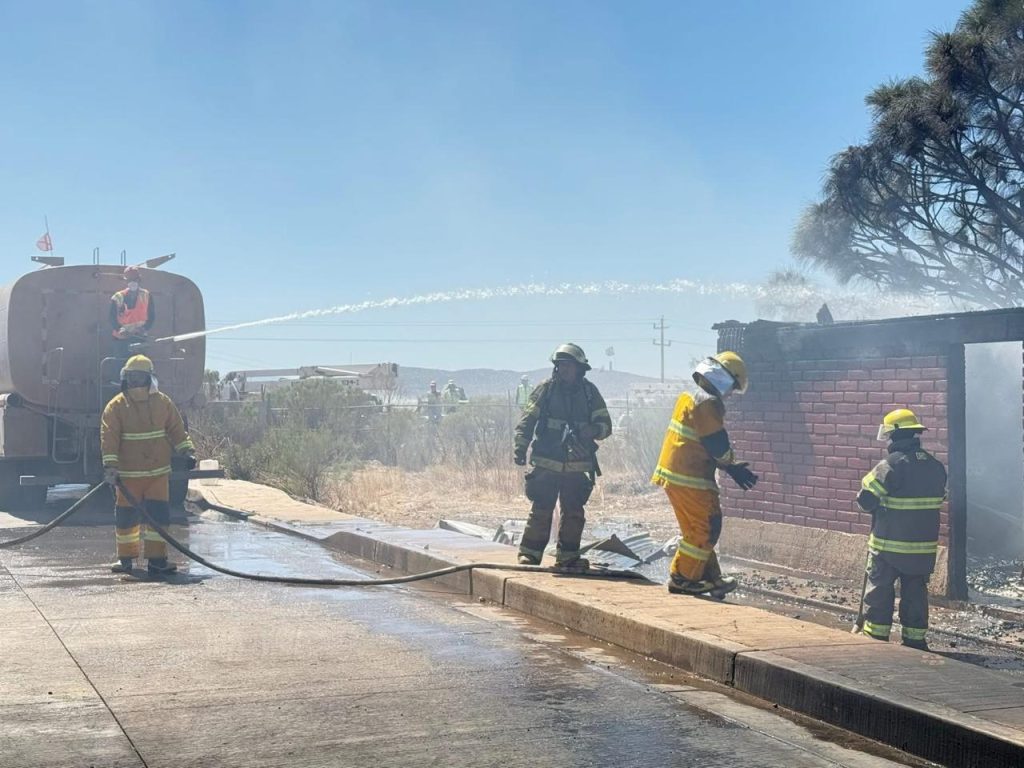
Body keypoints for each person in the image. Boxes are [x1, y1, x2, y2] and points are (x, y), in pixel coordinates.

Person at [652, 351, 757, 596]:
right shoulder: (708, 402)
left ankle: (710, 577)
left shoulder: (690, 396)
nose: (730, 394)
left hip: (675, 475)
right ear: (724, 378)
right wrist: (731, 465)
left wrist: (728, 466)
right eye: (732, 387)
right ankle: (683, 578)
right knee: (706, 528)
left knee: (696, 530)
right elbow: (716, 443)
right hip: (690, 477)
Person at [513, 343, 612, 570]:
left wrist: (592, 430)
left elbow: (606, 425)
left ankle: (568, 557)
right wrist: (520, 447)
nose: (563, 369)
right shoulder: (545, 390)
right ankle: (529, 554)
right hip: (547, 460)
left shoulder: (590, 393)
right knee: (541, 508)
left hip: (578, 462)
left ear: (579, 368)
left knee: (574, 511)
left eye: (568, 365)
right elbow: (527, 420)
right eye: (560, 365)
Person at [856, 408, 947, 650]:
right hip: (922, 550)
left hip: (888, 547)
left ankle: (876, 638)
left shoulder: (890, 465)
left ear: (894, 436)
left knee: (880, 591)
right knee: (916, 593)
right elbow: (938, 498)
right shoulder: (936, 466)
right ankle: (915, 640)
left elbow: (866, 500)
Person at [101, 354, 195, 576]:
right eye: (132, 377)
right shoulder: (129, 405)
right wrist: (111, 466)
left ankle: (136, 560)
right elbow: (110, 438)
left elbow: (176, 429)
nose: (135, 381)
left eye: (138, 377)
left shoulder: (121, 405)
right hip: (140, 476)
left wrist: (187, 450)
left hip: (142, 476)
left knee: (139, 519)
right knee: (146, 518)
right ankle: (149, 561)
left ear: (147, 378)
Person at [109, 266, 155, 358]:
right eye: (130, 280)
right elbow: (112, 318)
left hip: (140, 338)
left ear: (139, 280)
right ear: (125, 281)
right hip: (121, 340)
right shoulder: (117, 297)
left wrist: (144, 328)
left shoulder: (146, 295)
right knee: (121, 363)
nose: (132, 282)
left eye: (135, 279)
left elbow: (152, 316)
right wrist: (120, 329)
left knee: (139, 363)